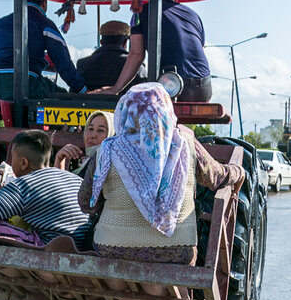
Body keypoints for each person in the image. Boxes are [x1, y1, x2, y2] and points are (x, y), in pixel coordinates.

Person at [78, 84, 243, 264]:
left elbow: (86, 203)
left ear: (126, 110)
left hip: (112, 247)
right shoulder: (185, 143)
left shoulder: (107, 149)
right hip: (176, 250)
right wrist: (237, 172)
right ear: (164, 110)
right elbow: (215, 177)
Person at [98, 0, 212, 102]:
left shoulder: (141, 13)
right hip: (204, 89)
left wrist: (116, 88)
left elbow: (136, 54)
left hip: (173, 87)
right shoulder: (193, 15)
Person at [0, 0, 87, 100]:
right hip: (29, 85)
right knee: (64, 97)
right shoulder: (45, 24)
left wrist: (1, 69)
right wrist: (82, 90)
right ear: (44, 2)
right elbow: (63, 62)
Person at [76, 21, 146, 89]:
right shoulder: (137, 66)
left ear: (101, 42)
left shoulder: (82, 65)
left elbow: (75, 93)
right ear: (125, 42)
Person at [52, 110, 115, 175]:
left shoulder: (111, 168)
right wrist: (59, 160)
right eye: (90, 129)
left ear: (112, 135)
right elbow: (61, 183)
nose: (92, 135)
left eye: (100, 130)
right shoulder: (86, 164)